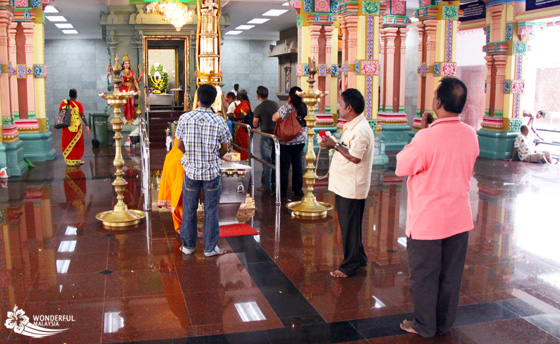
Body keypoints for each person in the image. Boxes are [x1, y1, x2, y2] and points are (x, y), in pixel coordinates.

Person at [396, 77, 479, 338]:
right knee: (451, 275)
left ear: (438, 102)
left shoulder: (426, 137)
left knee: (424, 276)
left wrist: (423, 132)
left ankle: (424, 325)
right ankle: (443, 323)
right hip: (459, 218)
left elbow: (402, 166)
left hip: (429, 220)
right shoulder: (470, 134)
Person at [318, 89, 374, 278]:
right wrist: (333, 142)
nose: (338, 107)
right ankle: (360, 257)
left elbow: (356, 157)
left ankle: (349, 266)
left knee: (349, 226)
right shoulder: (352, 125)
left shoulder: (361, 130)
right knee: (352, 224)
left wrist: (334, 145)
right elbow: (347, 148)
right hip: (345, 184)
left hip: (352, 185)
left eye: (340, 104)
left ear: (349, 108)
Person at [175, 84, 232, 257]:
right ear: (214, 100)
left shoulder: (185, 118)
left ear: (197, 98)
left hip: (191, 171)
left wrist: (191, 155)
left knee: (189, 208)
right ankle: (209, 248)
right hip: (211, 172)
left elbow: (179, 144)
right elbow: (225, 147)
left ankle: (188, 246)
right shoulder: (219, 121)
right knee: (211, 209)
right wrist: (215, 156)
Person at [272, 86, 307, 198]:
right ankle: (298, 190)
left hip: (287, 141)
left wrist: (287, 102)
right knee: (297, 166)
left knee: (284, 167)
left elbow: (274, 118)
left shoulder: (287, 107)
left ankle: (282, 191)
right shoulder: (304, 107)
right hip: (300, 140)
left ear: (290, 96)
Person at [253, 86, 279, 192]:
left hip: (266, 136)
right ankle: (275, 183)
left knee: (266, 160)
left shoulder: (258, 108)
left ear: (258, 95)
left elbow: (255, 123)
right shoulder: (275, 104)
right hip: (276, 135)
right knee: (275, 160)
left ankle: (266, 185)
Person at [59, 89, 90, 166]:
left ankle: (71, 161)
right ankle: (77, 160)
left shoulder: (64, 103)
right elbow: (82, 116)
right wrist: (87, 125)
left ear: (69, 95)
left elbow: (60, 113)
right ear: (76, 95)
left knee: (67, 143)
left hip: (67, 127)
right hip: (77, 128)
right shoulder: (78, 104)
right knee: (78, 144)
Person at [120, 53, 142, 124]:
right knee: (125, 104)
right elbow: (118, 81)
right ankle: (126, 119)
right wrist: (121, 81)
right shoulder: (121, 72)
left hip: (131, 88)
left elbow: (136, 81)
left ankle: (131, 119)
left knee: (131, 103)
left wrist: (138, 89)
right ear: (123, 64)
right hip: (123, 89)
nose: (127, 65)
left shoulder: (132, 72)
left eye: (128, 63)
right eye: (125, 63)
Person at [230, 89, 251, 160]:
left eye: (238, 94)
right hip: (238, 127)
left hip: (242, 128)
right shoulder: (242, 103)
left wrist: (235, 119)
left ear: (241, 96)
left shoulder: (245, 104)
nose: (236, 96)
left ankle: (244, 160)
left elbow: (243, 115)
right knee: (238, 144)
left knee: (242, 144)